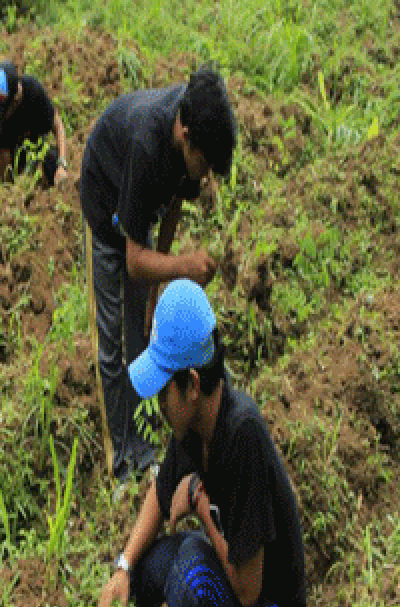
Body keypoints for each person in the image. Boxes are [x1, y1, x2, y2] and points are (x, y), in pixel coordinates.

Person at [97, 280, 306, 607]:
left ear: (191, 384)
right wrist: (123, 567)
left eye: (163, 388)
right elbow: (160, 489)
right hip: (242, 600)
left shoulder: (242, 437)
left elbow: (249, 589)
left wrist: (202, 509)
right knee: (152, 572)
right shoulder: (194, 425)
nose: (158, 404)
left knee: (191, 572)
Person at [80, 65, 236, 482]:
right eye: (203, 164)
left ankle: (144, 444)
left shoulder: (190, 138)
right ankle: (122, 462)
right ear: (186, 135)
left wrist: (156, 288)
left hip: (138, 207)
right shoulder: (146, 145)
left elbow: (172, 208)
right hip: (106, 205)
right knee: (112, 343)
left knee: (141, 333)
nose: (204, 177)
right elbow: (133, 261)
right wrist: (181, 266)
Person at [0, 59, 69, 205]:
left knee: (51, 163)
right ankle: (6, 189)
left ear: (15, 100)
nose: (3, 114)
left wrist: (62, 165)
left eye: (5, 110)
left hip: (33, 146)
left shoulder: (34, 91)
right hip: (11, 151)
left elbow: (58, 125)